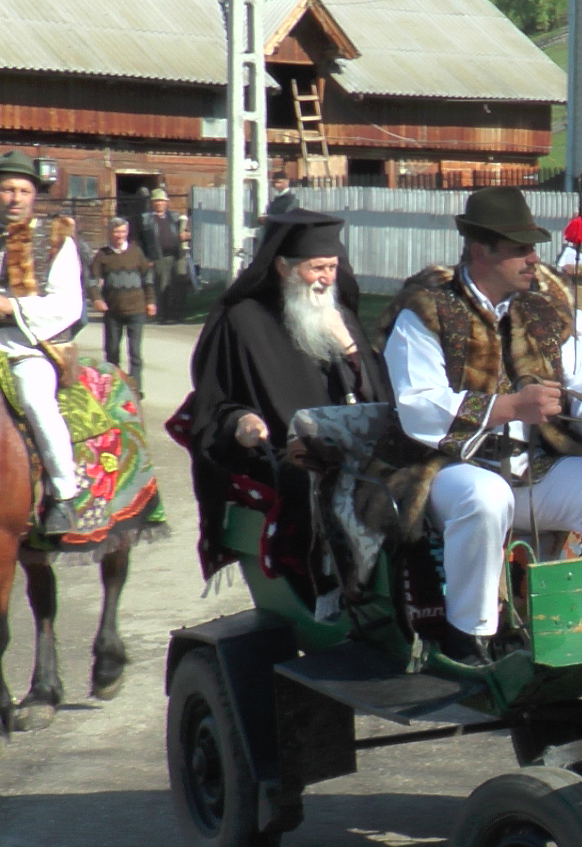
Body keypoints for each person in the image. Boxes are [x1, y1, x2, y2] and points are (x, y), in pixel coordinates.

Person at [373, 187, 582, 665]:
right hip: (444, 471)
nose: (535, 259)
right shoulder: (426, 313)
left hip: (530, 470)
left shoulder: (540, 313)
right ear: (481, 251)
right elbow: (418, 406)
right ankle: (469, 640)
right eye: (521, 249)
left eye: (533, 248)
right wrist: (510, 407)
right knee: (485, 497)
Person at [180, 210, 386, 582]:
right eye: (316, 268)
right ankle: (332, 590)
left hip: (356, 446)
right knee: (315, 480)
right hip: (282, 454)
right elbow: (212, 404)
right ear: (282, 267)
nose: (326, 279)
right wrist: (240, 421)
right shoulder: (241, 321)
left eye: (333, 268)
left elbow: (379, 398)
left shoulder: (340, 317)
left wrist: (352, 352)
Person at [0, 151, 84, 535]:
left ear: (34, 195)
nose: (14, 198)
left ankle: (64, 494)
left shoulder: (55, 237)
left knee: (36, 401)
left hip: (30, 347)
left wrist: (10, 307)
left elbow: (67, 305)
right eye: (6, 190)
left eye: (22, 190)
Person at [88, 216, 155, 393]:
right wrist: (97, 299)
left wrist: (150, 301)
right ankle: (113, 388)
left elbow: (147, 278)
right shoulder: (102, 255)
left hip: (136, 309)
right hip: (113, 311)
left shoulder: (136, 252)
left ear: (127, 233)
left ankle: (136, 388)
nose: (119, 235)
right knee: (112, 351)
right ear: (110, 233)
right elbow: (92, 280)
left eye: (123, 231)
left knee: (135, 353)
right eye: (116, 231)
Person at [136, 188, 190, 320]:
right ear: (152, 203)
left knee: (180, 282)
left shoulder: (175, 217)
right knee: (162, 285)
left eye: (162, 201)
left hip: (177, 255)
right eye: (156, 201)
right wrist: (145, 258)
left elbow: (187, 232)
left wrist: (187, 235)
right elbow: (140, 240)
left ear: (166, 203)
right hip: (158, 257)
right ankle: (163, 315)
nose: (159, 203)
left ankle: (178, 313)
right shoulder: (146, 219)